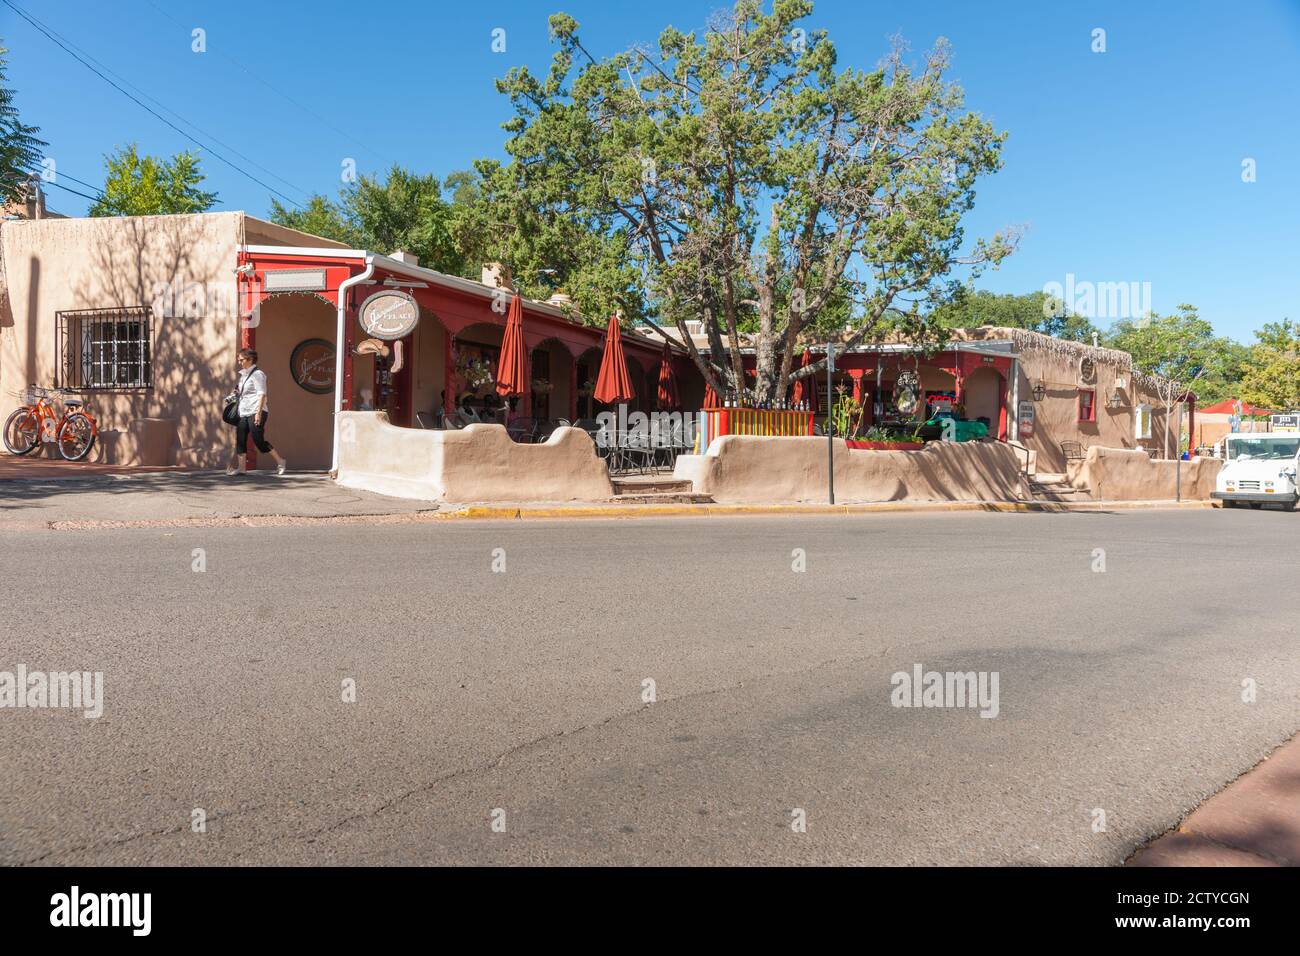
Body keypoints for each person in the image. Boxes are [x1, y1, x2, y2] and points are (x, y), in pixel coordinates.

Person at [226, 348, 288, 476]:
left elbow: (262, 394)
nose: (239, 362)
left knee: (258, 440)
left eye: (241, 360)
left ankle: (281, 461)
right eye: (238, 360)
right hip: (243, 411)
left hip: (256, 411)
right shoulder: (243, 375)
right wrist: (231, 397)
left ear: (250, 359)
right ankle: (241, 468)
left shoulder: (258, 374)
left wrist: (258, 413)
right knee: (240, 439)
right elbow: (239, 391)